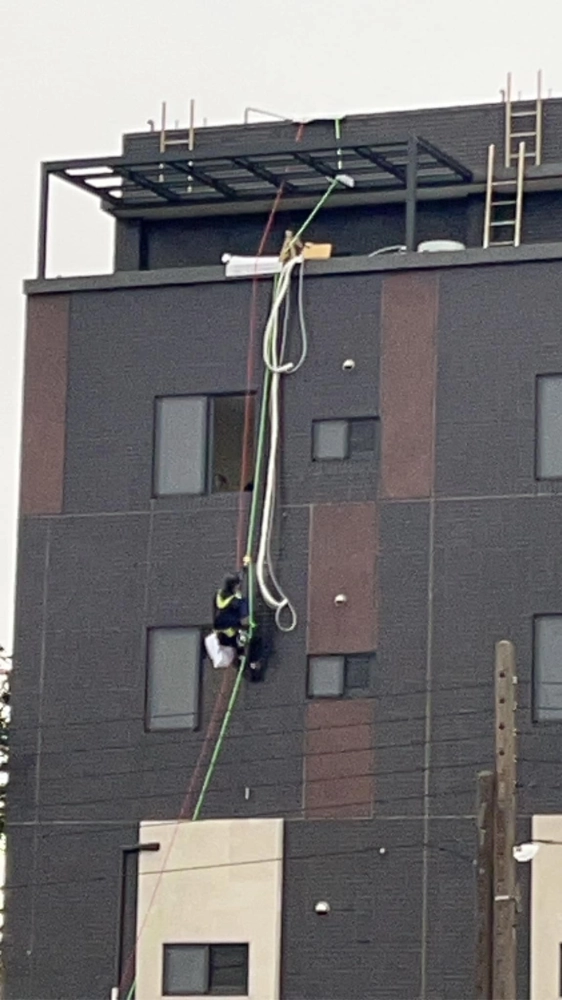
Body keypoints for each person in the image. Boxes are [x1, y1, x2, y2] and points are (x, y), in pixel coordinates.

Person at [213, 573, 263, 679]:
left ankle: (243, 663)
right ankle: (252, 666)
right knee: (254, 642)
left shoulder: (218, 596)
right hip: (232, 633)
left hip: (221, 634)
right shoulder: (234, 601)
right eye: (237, 585)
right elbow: (246, 611)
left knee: (240, 650)